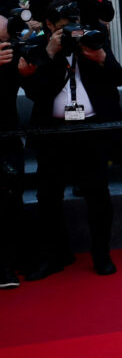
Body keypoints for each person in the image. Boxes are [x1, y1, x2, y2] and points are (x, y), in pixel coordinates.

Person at [23, 0, 122, 279]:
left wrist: (101, 57)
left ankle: (101, 254)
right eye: (64, 25)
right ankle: (56, 256)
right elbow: (34, 92)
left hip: (90, 131)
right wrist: (50, 53)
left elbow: (120, 77)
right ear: (49, 25)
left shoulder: (91, 40)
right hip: (53, 133)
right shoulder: (37, 49)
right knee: (48, 197)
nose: (71, 29)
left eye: (75, 22)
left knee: (98, 195)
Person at [0, 14, 27, 288]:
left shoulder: (12, 58)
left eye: (7, 41)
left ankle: (15, 258)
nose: (5, 47)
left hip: (8, 136)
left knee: (12, 197)